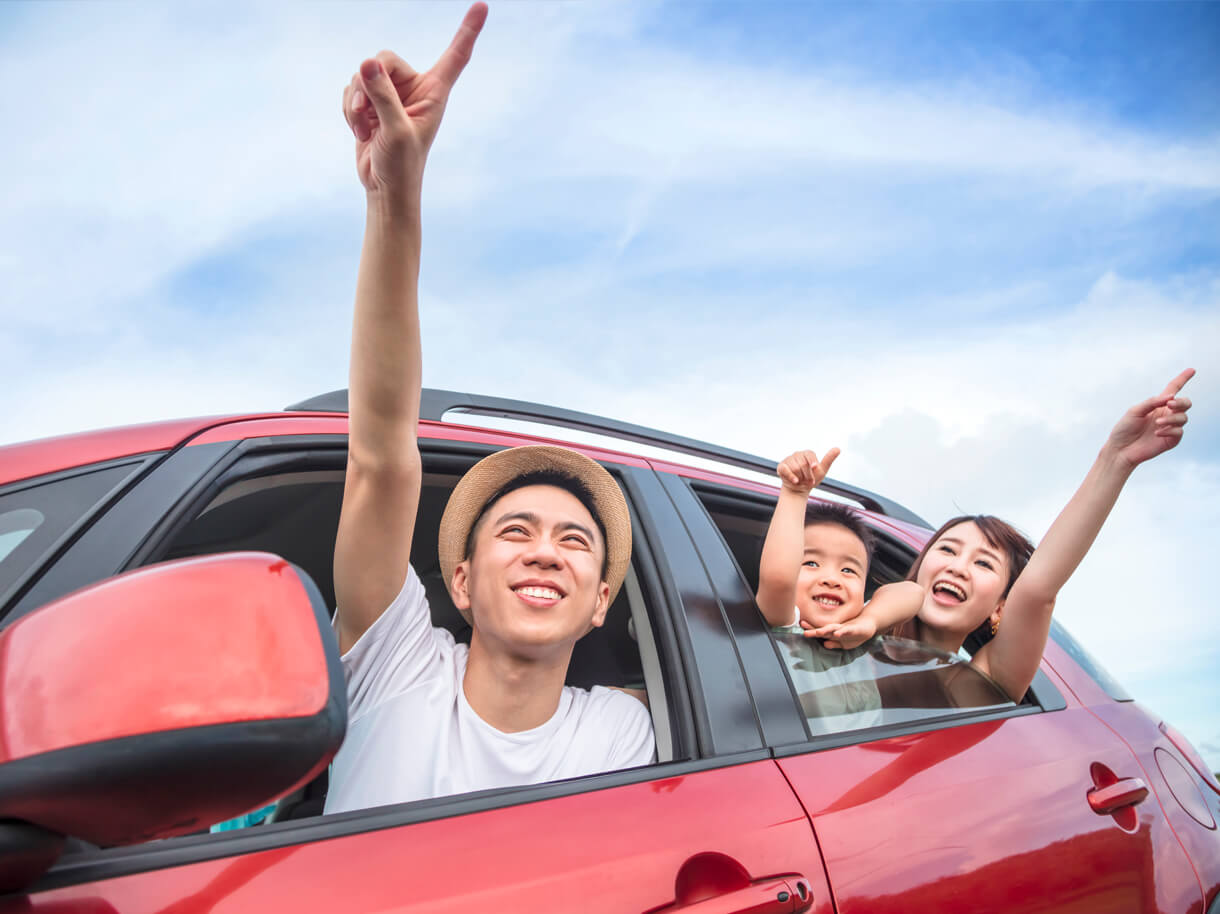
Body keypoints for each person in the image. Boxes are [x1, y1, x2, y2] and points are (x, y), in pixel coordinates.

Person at [324, 2, 653, 816]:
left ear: (601, 601)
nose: (548, 554)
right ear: (461, 585)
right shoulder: (398, 662)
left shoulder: (615, 732)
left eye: (577, 543)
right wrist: (394, 197)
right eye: (517, 531)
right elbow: (380, 456)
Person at [898, 370, 1195, 702]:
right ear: (920, 566)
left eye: (984, 563)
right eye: (949, 551)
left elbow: (1038, 589)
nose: (958, 567)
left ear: (1000, 609)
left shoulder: (976, 687)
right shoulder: (850, 628)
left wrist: (1116, 459)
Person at [756, 448, 923, 732]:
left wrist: (869, 622)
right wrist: (795, 496)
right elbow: (778, 580)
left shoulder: (859, 632)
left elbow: (913, 593)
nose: (832, 579)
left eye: (848, 570)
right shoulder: (785, 627)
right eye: (810, 563)